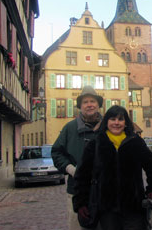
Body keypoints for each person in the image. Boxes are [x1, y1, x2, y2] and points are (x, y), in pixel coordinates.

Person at [73, 105, 152, 230]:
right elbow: (82, 176)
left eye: (120, 119)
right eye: (112, 119)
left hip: (133, 208)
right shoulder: (95, 144)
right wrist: (81, 203)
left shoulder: (135, 142)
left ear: (126, 123)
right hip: (106, 208)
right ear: (107, 122)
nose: (116, 123)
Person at [52, 85, 103, 230]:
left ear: (98, 105)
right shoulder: (70, 128)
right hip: (77, 190)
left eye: (92, 101)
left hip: (104, 190)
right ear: (80, 106)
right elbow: (56, 152)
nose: (89, 105)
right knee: (77, 225)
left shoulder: (107, 126)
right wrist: (71, 169)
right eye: (85, 102)